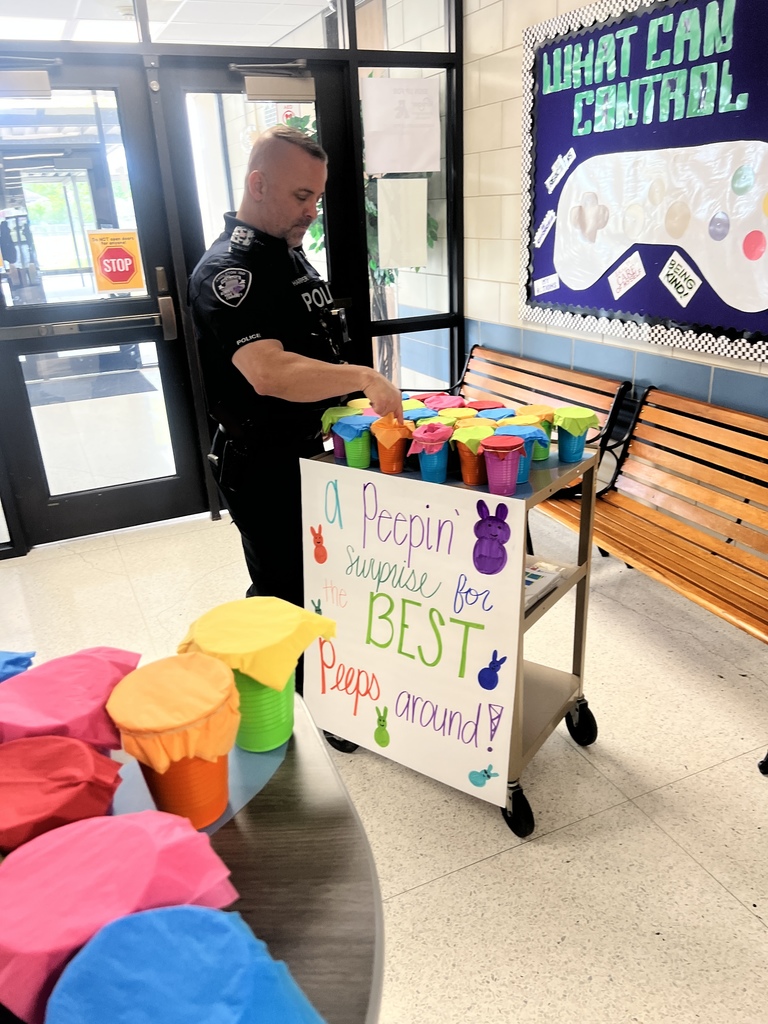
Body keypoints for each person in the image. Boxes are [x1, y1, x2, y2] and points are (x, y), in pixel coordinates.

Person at [188, 125, 403, 690]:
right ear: (258, 184)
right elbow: (268, 371)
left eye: (317, 199)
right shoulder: (228, 272)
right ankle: (283, 702)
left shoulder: (287, 255)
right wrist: (361, 377)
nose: (312, 211)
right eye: (300, 196)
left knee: (327, 580)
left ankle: (329, 687)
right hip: (266, 464)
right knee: (284, 589)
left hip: (317, 452)